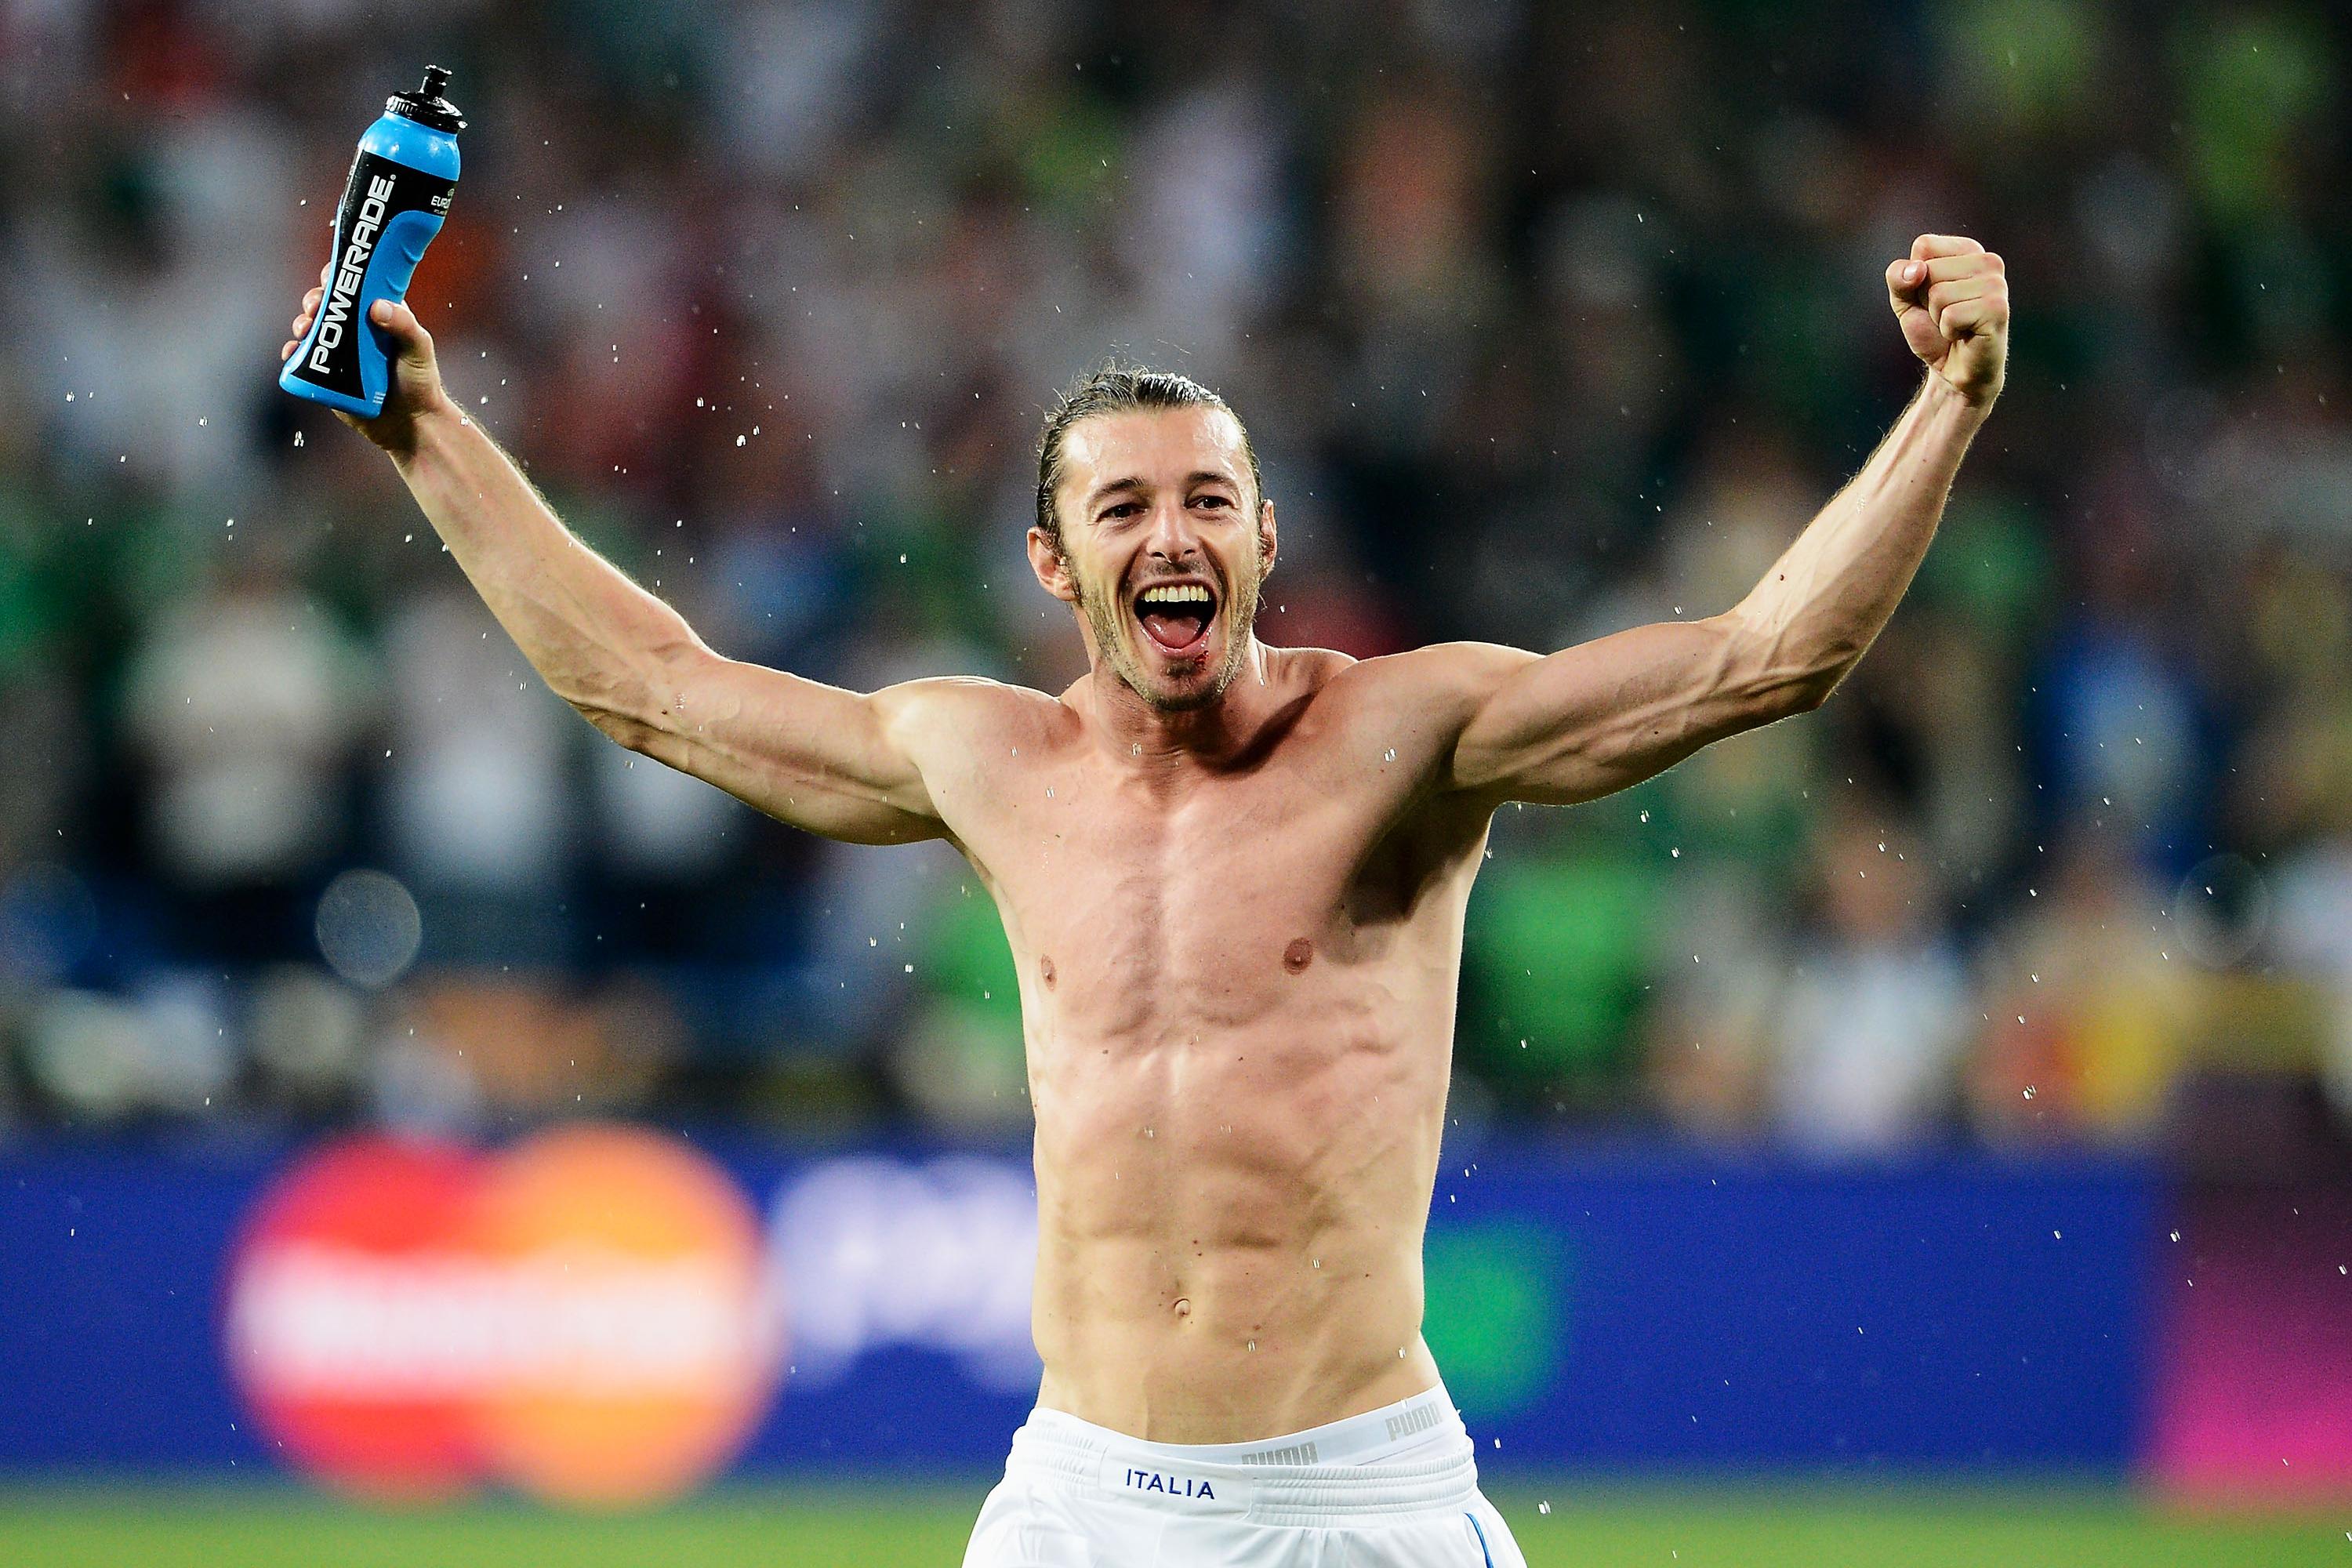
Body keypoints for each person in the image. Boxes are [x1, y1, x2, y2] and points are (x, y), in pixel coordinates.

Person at [284, 231, 2008, 1566]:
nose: (1169, 531)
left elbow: (1763, 659)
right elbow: (648, 685)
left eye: (1205, 499)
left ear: (1261, 536)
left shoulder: (1410, 737)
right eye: (1123, 505)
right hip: (1084, 1500)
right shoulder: (982, 758)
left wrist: (1951, 401)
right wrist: (426, 425)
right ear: (1055, 561)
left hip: (1364, 1494)